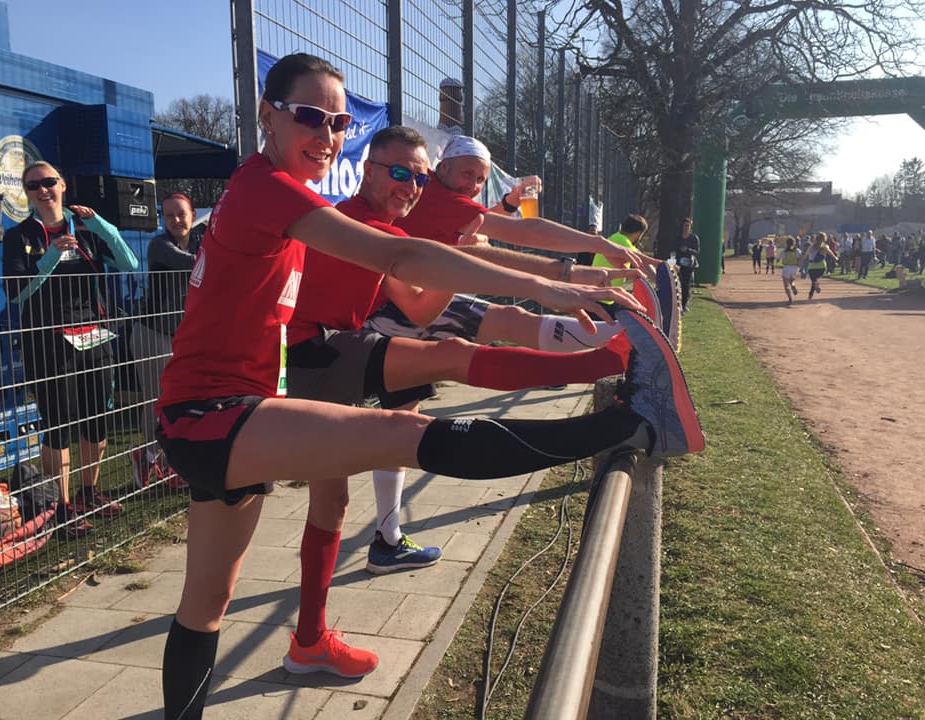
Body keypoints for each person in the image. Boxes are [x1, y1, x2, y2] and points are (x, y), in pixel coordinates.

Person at [155, 53, 704, 719]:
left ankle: (301, 644)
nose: (327, 135)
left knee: (207, 605)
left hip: (233, 404)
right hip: (212, 411)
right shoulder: (270, 189)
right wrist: (549, 285)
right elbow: (409, 257)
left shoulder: (286, 192)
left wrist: (568, 273)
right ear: (267, 116)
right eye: (310, 117)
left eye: (337, 123)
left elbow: (462, 256)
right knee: (403, 430)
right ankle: (629, 421)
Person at [366, 134, 660, 352]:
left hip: (407, 292)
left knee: (501, 317)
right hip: (388, 304)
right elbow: (525, 231)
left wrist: (510, 202)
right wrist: (599, 246)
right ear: (443, 168)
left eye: (480, 179)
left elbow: (484, 226)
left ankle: (619, 344)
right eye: (467, 174)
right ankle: (622, 346)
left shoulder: (438, 193)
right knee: (495, 328)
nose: (472, 186)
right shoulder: (438, 196)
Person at [2, 161, 138, 538]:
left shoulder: (86, 228)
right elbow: (16, 293)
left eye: (49, 182)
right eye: (34, 186)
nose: (43, 190)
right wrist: (50, 257)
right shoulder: (20, 236)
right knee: (59, 424)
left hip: (92, 336)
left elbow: (129, 262)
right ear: (27, 194)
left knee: (97, 417)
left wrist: (101, 225)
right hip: (47, 341)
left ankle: (88, 493)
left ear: (62, 184)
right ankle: (60, 508)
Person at [128, 192, 199, 489]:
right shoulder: (160, 244)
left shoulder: (201, 242)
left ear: (193, 215)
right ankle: (147, 457)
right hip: (152, 333)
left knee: (182, 399)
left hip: (181, 335)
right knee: (157, 400)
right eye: (169, 215)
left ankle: (171, 463)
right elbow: (191, 264)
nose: (176, 220)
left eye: (181, 214)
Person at [674, 218, 701, 311]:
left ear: (690, 227)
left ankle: (684, 305)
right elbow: (673, 251)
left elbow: (697, 252)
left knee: (686, 285)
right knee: (677, 284)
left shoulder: (694, 238)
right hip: (678, 264)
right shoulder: (678, 238)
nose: (686, 228)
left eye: (687, 226)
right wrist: (672, 262)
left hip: (689, 265)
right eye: (684, 226)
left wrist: (688, 250)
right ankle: (676, 303)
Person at [805, 232, 838, 299]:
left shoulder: (811, 247)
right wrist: (836, 258)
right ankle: (811, 294)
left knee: (814, 280)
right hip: (822, 267)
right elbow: (830, 253)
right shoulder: (825, 247)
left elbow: (806, 256)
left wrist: (801, 262)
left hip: (812, 267)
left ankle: (812, 292)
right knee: (815, 281)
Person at [779, 236, 801, 304]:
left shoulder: (784, 251)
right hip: (794, 268)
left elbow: (778, 259)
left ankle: (790, 299)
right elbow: (800, 258)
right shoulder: (797, 250)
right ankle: (793, 286)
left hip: (786, 267)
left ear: (786, 243)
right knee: (791, 281)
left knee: (786, 285)